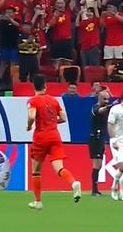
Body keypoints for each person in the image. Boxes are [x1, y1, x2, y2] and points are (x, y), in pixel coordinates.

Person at [27, 75, 81, 210]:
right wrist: (52, 122)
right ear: (45, 86)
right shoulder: (54, 100)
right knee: (59, 168)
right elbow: (63, 118)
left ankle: (38, 202)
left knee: (36, 171)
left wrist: (29, 126)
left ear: (34, 87)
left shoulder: (33, 101)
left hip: (41, 137)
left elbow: (32, 116)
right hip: (55, 136)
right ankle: (73, 183)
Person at [89, 90, 111, 196]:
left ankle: (95, 188)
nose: (106, 101)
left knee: (100, 164)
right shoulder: (95, 108)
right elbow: (100, 111)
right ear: (99, 98)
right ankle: (94, 189)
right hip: (95, 138)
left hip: (101, 138)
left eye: (108, 99)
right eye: (104, 99)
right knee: (96, 164)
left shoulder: (105, 109)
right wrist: (110, 106)